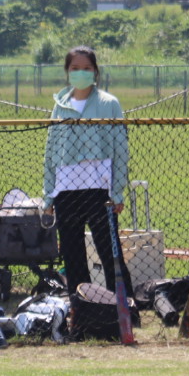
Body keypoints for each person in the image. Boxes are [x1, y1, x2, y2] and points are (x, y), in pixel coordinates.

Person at [42, 46, 131, 296]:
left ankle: (124, 305)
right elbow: (50, 151)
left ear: (95, 71)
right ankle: (81, 305)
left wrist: (117, 191)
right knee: (72, 255)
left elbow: (120, 149)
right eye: (75, 68)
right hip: (66, 189)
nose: (81, 73)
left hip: (99, 189)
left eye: (86, 68)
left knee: (110, 252)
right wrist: (49, 196)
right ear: (67, 71)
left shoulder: (109, 104)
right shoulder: (60, 106)